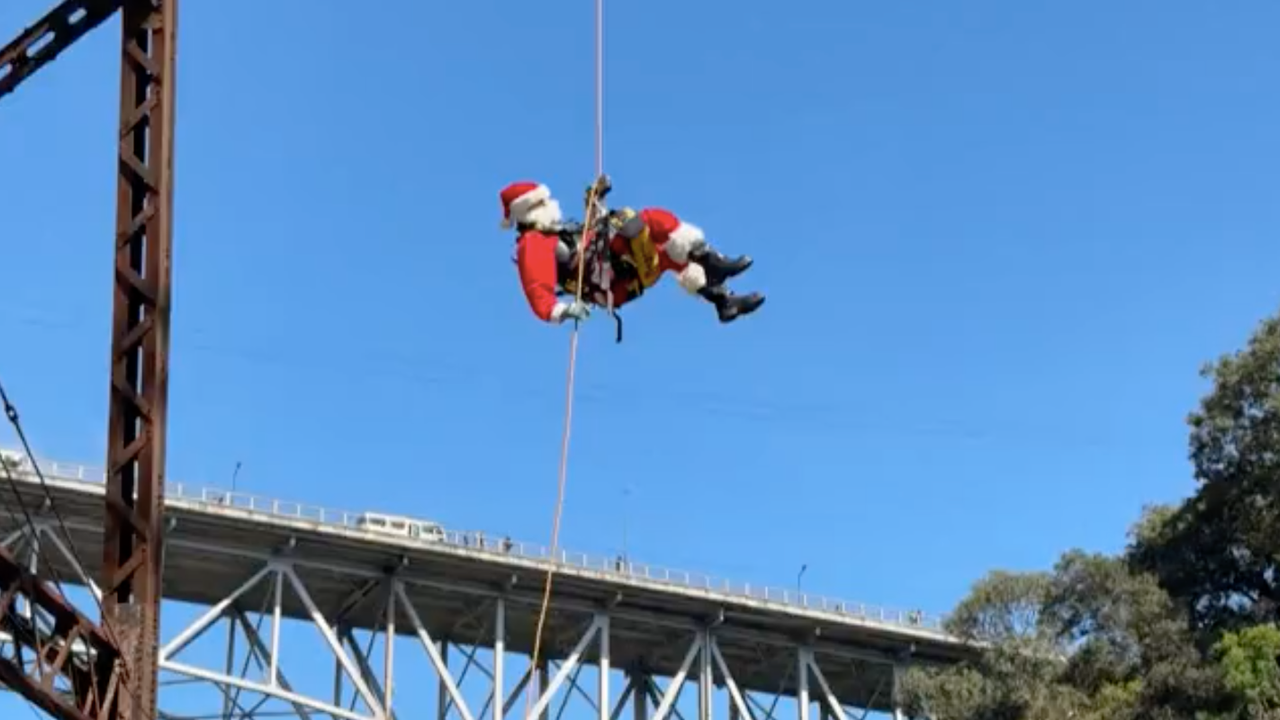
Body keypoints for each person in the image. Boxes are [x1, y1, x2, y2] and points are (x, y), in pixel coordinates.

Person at [499, 179, 765, 326]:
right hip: (610, 280)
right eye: (543, 202)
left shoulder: (552, 233)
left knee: (669, 254)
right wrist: (562, 311)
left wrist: (595, 201)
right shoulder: (532, 243)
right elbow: (537, 288)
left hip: (618, 272)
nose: (552, 204)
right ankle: (711, 261)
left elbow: (591, 236)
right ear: (530, 210)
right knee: (645, 219)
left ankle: (723, 301)